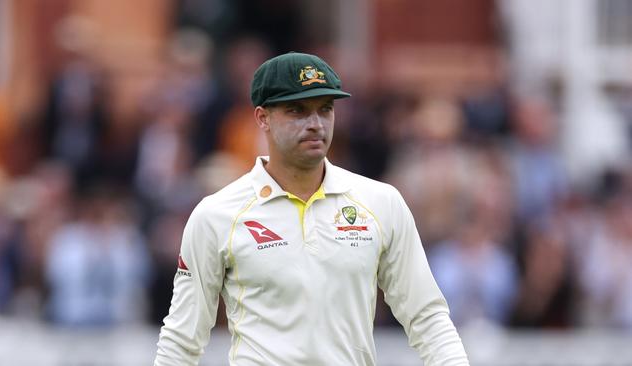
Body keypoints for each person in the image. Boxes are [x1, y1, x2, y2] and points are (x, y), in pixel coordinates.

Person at [154, 52, 469, 365]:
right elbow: (182, 342)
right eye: (297, 110)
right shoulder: (217, 215)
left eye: (325, 109)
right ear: (262, 118)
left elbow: (427, 318)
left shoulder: (380, 202)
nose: (316, 124)